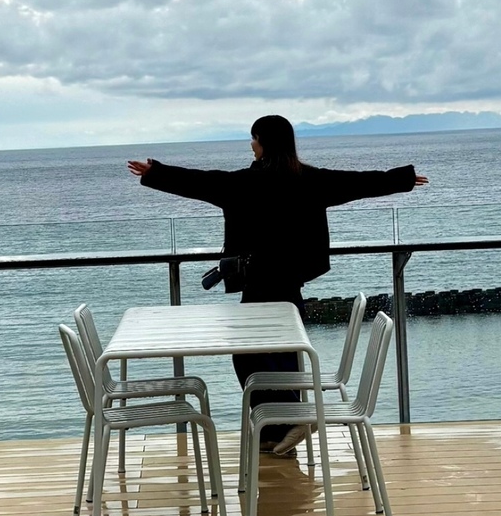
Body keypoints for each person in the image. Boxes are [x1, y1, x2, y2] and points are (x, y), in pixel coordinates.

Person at [128, 115, 428, 456]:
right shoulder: (309, 180)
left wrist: (156, 173)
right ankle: (280, 427)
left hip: (258, 286)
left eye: (253, 139)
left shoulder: (245, 183)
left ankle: (289, 420)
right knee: (284, 358)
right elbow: (357, 183)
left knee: (249, 359)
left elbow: (201, 183)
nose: (251, 145)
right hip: (289, 288)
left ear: (263, 142)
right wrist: (402, 178)